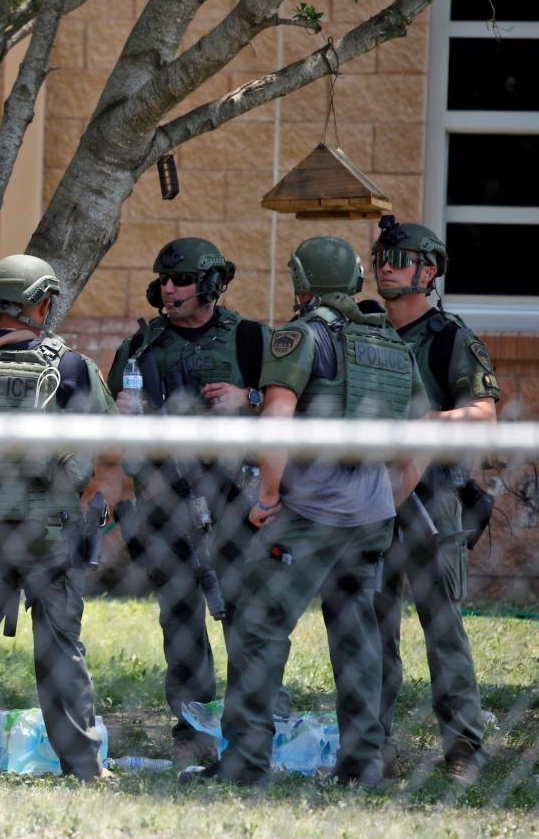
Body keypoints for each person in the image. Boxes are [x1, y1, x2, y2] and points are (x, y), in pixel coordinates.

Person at [193, 236, 427, 787]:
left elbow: (276, 418)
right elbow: (421, 433)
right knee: (357, 635)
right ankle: (364, 764)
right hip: (369, 519)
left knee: (257, 628)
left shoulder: (300, 335)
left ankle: (246, 762)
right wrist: (388, 501)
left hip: (310, 516)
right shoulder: (389, 343)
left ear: (302, 282)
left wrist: (267, 497)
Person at [0, 254, 115, 782]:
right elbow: (109, 448)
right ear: (45, 303)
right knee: (59, 645)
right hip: (49, 527)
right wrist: (85, 505)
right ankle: (81, 764)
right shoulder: (71, 367)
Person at [105, 237, 270, 766]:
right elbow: (111, 421)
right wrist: (123, 409)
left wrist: (251, 398)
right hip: (162, 497)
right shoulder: (141, 346)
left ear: (211, 285)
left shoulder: (249, 339)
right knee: (179, 612)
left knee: (246, 611)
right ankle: (193, 729)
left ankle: (255, 723)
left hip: (234, 496)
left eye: (181, 280)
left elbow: (293, 404)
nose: (169, 290)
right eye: (164, 280)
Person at [370, 217, 498, 785]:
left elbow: (483, 414)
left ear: (429, 271)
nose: (384, 267)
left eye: (399, 259)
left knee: (442, 628)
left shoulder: (450, 338)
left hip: (433, 502)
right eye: (380, 258)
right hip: (369, 498)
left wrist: (428, 421)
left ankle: (463, 749)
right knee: (372, 628)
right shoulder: (366, 332)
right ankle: (373, 744)